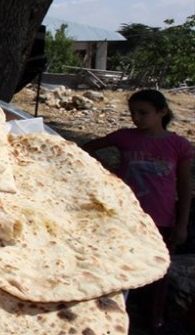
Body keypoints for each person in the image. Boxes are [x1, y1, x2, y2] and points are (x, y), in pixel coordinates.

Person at [82, 89, 193, 330]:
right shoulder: (125, 138)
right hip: (124, 216)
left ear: (162, 112)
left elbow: (184, 187)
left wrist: (182, 224)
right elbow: (86, 148)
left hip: (162, 219)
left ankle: (153, 321)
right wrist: (104, 171)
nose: (137, 118)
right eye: (133, 112)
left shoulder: (178, 145)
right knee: (120, 267)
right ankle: (115, 317)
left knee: (156, 274)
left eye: (143, 113)